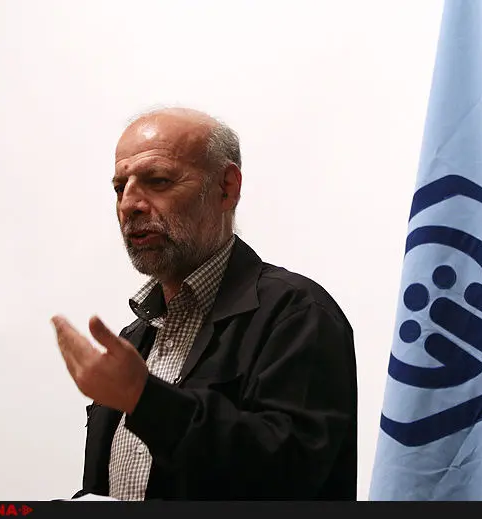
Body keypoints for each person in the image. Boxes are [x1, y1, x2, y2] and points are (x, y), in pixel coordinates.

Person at [50, 107, 358, 500]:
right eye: (119, 187)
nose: (129, 204)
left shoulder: (298, 315)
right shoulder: (134, 340)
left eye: (157, 181)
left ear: (226, 188)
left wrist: (146, 400)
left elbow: (290, 476)